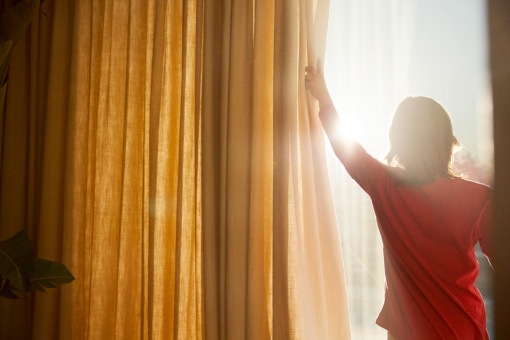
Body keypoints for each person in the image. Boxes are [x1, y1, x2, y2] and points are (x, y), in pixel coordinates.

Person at [305, 61, 493, 340]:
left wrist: (324, 97)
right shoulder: (480, 198)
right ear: (446, 140)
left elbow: (346, 148)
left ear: (398, 142)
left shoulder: (385, 186)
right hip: (463, 330)